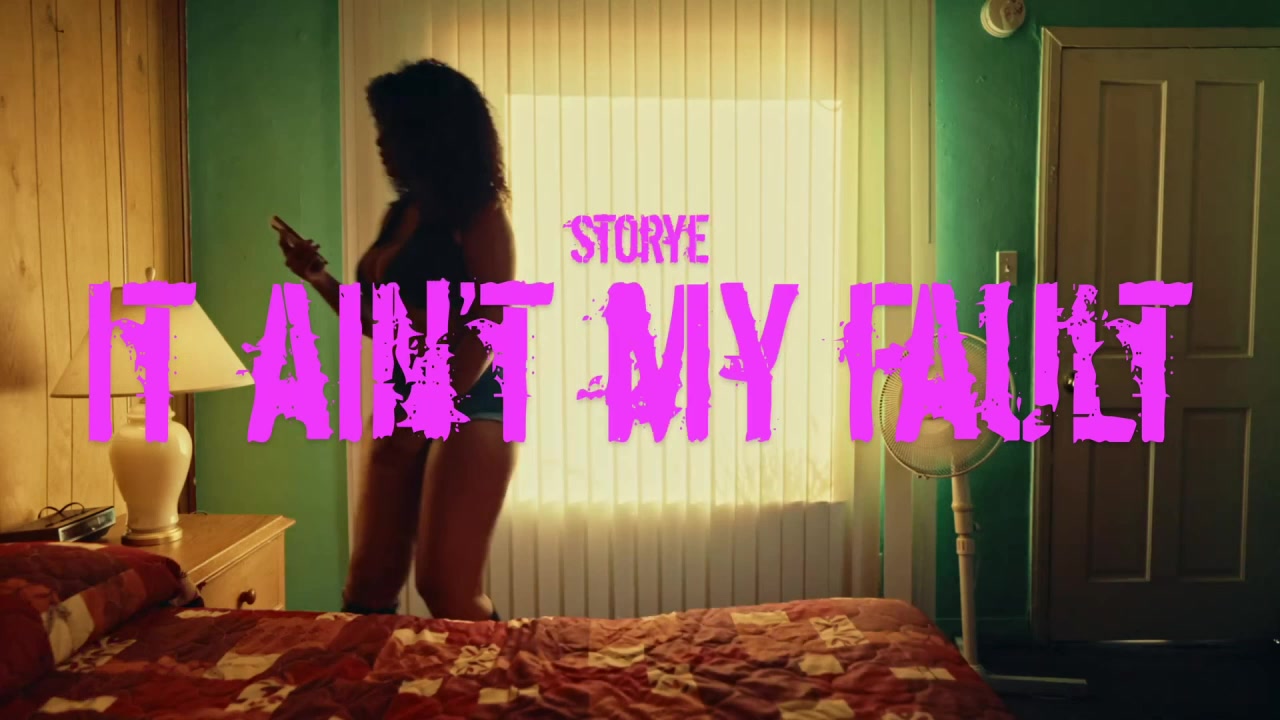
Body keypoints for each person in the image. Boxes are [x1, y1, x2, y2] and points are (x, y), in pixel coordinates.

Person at [276, 59, 515, 622]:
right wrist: (317, 278)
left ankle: (491, 674)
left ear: (430, 133)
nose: (381, 143)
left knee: (446, 589)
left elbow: (489, 327)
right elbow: (379, 321)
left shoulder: (479, 214)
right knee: (368, 586)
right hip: (402, 397)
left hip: (471, 402)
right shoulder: (402, 214)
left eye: (392, 130)